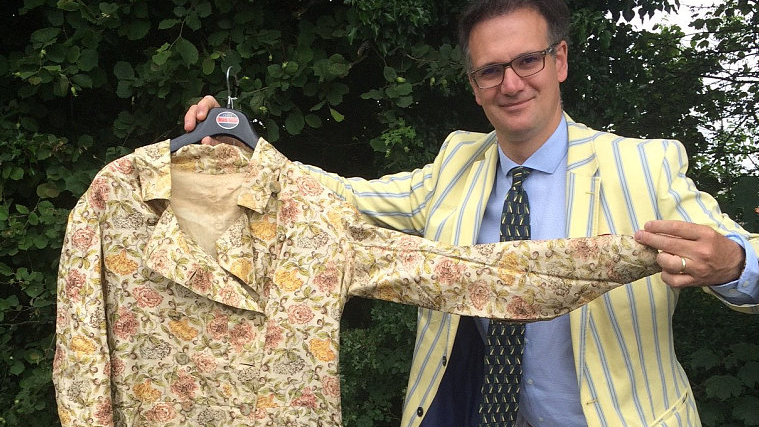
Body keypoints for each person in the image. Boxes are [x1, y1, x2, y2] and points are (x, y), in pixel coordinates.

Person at [183, 0, 759, 425]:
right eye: (490, 70)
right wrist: (244, 154)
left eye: (528, 60)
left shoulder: (645, 166)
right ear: (474, 84)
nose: (511, 83)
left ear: (559, 60)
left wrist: (732, 263)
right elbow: (338, 197)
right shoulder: (454, 165)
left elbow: (747, 255)